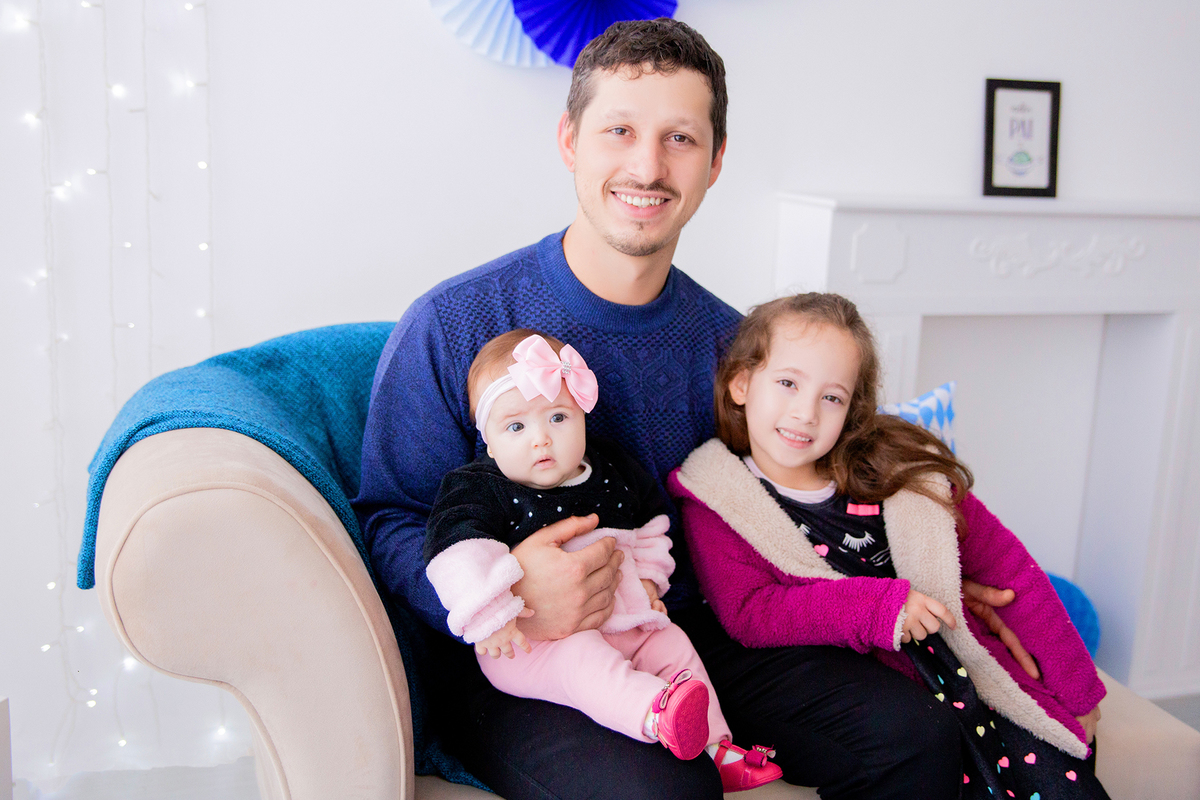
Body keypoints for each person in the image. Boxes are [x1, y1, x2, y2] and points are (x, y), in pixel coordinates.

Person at [354, 17, 1033, 800]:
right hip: (520, 656)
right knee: (661, 790)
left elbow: (806, 485)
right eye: (619, 130)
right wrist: (509, 587)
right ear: (571, 141)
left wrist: (929, 566)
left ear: (714, 164)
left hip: (695, 630)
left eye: (680, 138)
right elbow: (391, 515)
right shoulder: (456, 323)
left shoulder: (734, 347)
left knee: (915, 733)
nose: (647, 164)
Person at [668, 292, 1110, 799]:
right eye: (788, 383)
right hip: (877, 685)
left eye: (831, 397)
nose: (805, 413)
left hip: (962, 674)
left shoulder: (902, 478)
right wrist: (879, 607)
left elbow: (1013, 572)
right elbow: (750, 610)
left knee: (1061, 772)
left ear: (853, 407)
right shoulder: (716, 496)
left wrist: (1079, 690)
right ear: (742, 383)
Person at [423, 329, 782, 792]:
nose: (541, 441)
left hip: (628, 619)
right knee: (582, 659)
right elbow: (454, 551)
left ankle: (715, 747)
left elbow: (651, 523)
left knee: (673, 644)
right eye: (516, 427)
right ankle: (655, 714)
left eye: (557, 417)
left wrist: (651, 580)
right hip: (535, 646)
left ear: (583, 419)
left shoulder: (612, 470)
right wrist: (493, 615)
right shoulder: (479, 488)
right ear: (488, 443)